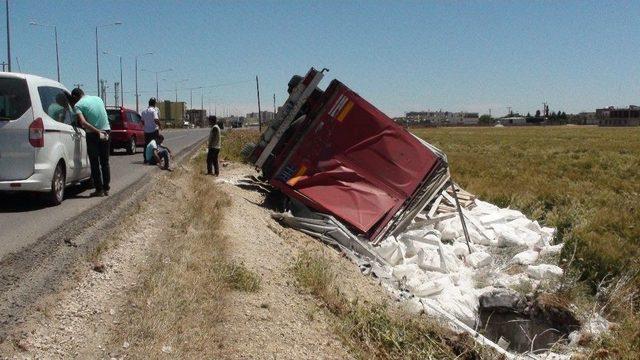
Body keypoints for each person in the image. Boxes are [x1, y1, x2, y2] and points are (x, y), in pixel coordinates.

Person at [71, 88, 111, 197]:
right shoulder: (98, 99)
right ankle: (106, 188)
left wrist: (97, 131)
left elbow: (83, 123)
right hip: (106, 131)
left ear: (75, 97)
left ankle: (99, 190)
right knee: (105, 162)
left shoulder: (78, 105)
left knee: (94, 163)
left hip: (93, 134)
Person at [141, 97, 161, 163]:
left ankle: (146, 158)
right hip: (154, 131)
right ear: (154, 103)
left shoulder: (144, 111)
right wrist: (160, 125)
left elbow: (142, 122)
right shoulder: (154, 111)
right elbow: (156, 119)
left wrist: (146, 126)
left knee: (146, 145)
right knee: (155, 145)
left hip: (146, 131)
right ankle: (156, 158)